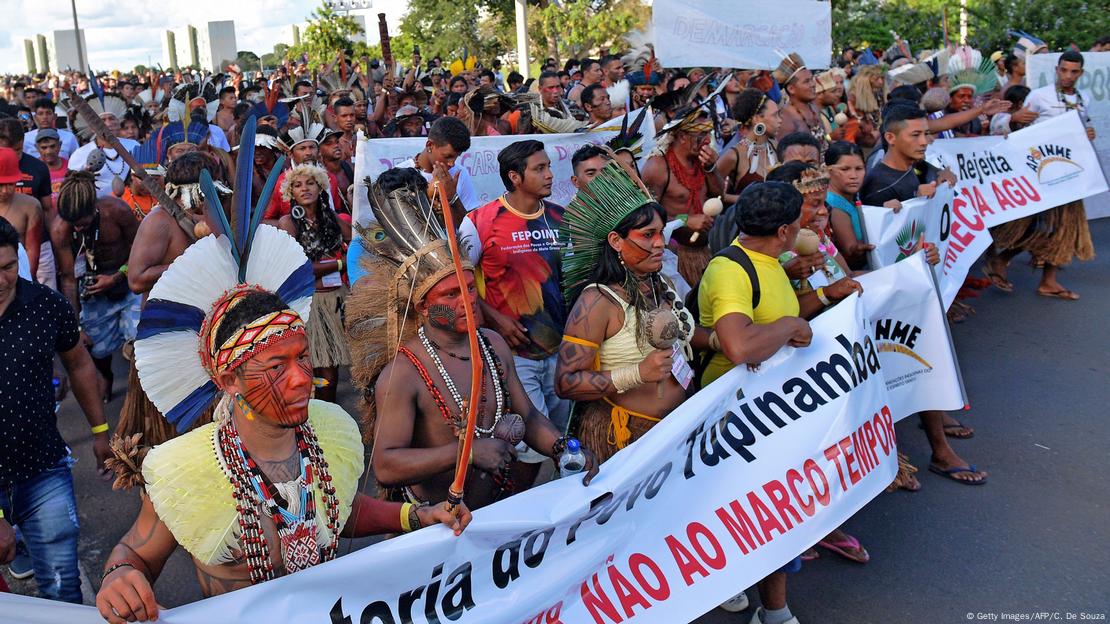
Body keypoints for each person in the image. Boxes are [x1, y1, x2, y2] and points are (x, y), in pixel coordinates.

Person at [95, 157, 470, 622]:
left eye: (302, 357)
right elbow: (136, 551)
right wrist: (118, 577)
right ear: (229, 380)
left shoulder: (326, 433)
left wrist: (415, 517)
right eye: (276, 365)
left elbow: (335, 511)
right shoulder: (188, 470)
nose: (301, 379)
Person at [348, 168, 595, 511]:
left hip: (497, 513)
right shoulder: (404, 372)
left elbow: (530, 417)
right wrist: (468, 452)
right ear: (422, 306)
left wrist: (565, 447)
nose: (467, 300)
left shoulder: (491, 343)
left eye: (469, 287)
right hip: (438, 527)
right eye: (450, 295)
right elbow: (387, 466)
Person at [697, 181, 861, 624]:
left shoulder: (767, 261)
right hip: (736, 420)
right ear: (787, 231)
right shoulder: (732, 270)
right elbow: (740, 345)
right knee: (748, 516)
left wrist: (826, 297)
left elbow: (773, 319)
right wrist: (791, 323)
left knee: (777, 514)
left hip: (770, 413)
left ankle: (774, 610)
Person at [860, 104, 986, 486]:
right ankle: (924, 452)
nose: (924, 141)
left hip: (917, 287)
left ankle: (937, 430)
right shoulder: (878, 183)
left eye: (926, 134)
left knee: (924, 360)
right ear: (890, 138)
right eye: (915, 135)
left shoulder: (916, 170)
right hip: (887, 295)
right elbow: (873, 240)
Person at [556, 159, 705, 462]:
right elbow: (565, 382)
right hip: (627, 440)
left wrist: (716, 341)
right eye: (648, 235)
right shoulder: (597, 302)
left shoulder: (659, 283)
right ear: (616, 240)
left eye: (661, 233)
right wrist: (638, 373)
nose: (660, 243)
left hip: (678, 430)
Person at [0, 215, 111, 604]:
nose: (1, 280)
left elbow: (78, 362)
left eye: (8, 267)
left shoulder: (45, 305)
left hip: (42, 470)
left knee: (63, 591)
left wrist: (100, 433)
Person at [458, 140, 572, 482]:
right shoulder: (479, 222)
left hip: (563, 351)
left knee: (565, 444)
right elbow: (459, 284)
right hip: (514, 356)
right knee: (528, 451)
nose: (550, 174)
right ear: (515, 177)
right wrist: (496, 319)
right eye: (539, 168)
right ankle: (515, 519)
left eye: (549, 166)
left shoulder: (560, 218)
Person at [118, 152, 226, 446]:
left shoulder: (211, 216)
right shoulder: (160, 222)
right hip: (166, 339)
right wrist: (191, 259)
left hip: (205, 338)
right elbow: (137, 278)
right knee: (163, 437)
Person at [987, 50, 1095, 301]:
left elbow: (1083, 128)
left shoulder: (1084, 98)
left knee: (1064, 228)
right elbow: (1008, 126)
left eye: (1074, 71)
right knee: (1038, 224)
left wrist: (1087, 133)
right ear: (1056, 70)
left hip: (1070, 173)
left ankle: (1048, 280)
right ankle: (1002, 259)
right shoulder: (1039, 96)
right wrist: (1014, 120)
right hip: (1040, 171)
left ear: (1081, 73)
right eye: (1064, 70)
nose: (1068, 76)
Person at [52, 171, 140, 403]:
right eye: (75, 226)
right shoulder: (61, 230)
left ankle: (141, 391)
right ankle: (106, 375)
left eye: (84, 224)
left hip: (130, 285)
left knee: (139, 345)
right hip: (93, 293)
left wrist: (117, 277)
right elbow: (69, 279)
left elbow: (142, 252)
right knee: (96, 349)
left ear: (94, 209)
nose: (79, 230)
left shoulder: (117, 211)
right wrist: (76, 326)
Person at [277, 163, 352, 403]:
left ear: (320, 188)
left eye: (310, 183)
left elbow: (356, 243)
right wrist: (339, 265)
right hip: (311, 303)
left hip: (337, 299)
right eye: (298, 185)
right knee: (320, 365)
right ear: (291, 193)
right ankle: (320, 415)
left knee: (332, 368)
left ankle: (329, 413)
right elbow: (299, 270)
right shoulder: (288, 223)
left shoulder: (331, 219)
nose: (305, 189)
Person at [641, 108, 724, 285]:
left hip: (704, 252)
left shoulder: (702, 161)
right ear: (682, 136)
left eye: (708, 133)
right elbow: (644, 216)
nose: (708, 140)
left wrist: (711, 168)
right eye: (701, 134)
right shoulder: (657, 167)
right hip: (673, 258)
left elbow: (719, 195)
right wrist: (685, 220)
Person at [716, 88, 782, 205]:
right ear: (756, 119)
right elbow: (712, 193)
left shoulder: (776, 147)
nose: (780, 120)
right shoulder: (734, 155)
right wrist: (743, 199)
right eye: (775, 115)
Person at [824, 142, 875, 270]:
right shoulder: (833, 206)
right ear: (828, 171)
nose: (853, 176)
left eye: (859, 169)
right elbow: (852, 253)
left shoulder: (851, 198)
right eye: (845, 169)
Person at [0, 147, 44, 278]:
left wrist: (25, 284)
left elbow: (32, 251)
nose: (5, 191)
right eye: (0, 185)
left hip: (18, 275)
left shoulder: (31, 206)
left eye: (10, 184)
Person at [775, 52, 828, 155]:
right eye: (806, 81)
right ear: (791, 89)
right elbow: (784, 157)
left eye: (812, 79)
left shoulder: (814, 108)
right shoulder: (785, 118)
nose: (813, 84)